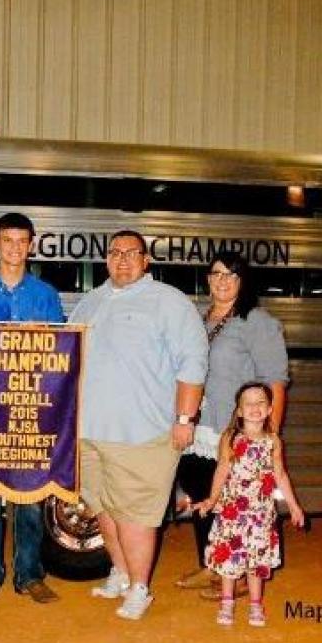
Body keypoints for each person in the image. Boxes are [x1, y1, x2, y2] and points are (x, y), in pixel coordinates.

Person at [69, 230, 208, 620]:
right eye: (115, 253)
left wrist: (184, 419)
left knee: (136, 516)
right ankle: (120, 572)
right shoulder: (90, 302)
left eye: (131, 253)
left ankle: (140, 588)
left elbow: (193, 362)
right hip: (91, 432)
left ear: (146, 260)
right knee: (103, 509)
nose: (122, 260)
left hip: (143, 434)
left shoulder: (168, 302)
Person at [0, 212, 66, 608]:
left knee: (31, 497)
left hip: (31, 412)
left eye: (23, 241)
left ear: (32, 245)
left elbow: (58, 355)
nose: (15, 248)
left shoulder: (46, 296)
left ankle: (30, 575)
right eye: (8, 240)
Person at [175, 253, 289, 600]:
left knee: (234, 502)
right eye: (216, 274)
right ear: (207, 279)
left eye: (231, 275)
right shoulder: (199, 319)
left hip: (236, 430)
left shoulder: (257, 321)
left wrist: (267, 440)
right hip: (200, 426)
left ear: (243, 281)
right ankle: (212, 564)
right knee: (201, 492)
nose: (222, 281)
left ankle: (237, 574)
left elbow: (276, 383)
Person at [192, 382, 305, 627]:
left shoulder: (273, 441)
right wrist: (212, 499)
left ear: (269, 408)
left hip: (260, 514)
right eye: (249, 403)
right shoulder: (230, 438)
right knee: (229, 560)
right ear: (239, 411)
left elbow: (281, 475)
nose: (255, 407)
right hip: (232, 512)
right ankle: (227, 602)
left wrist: (294, 506)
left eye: (261, 402)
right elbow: (222, 469)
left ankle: (255, 604)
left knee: (256, 561)